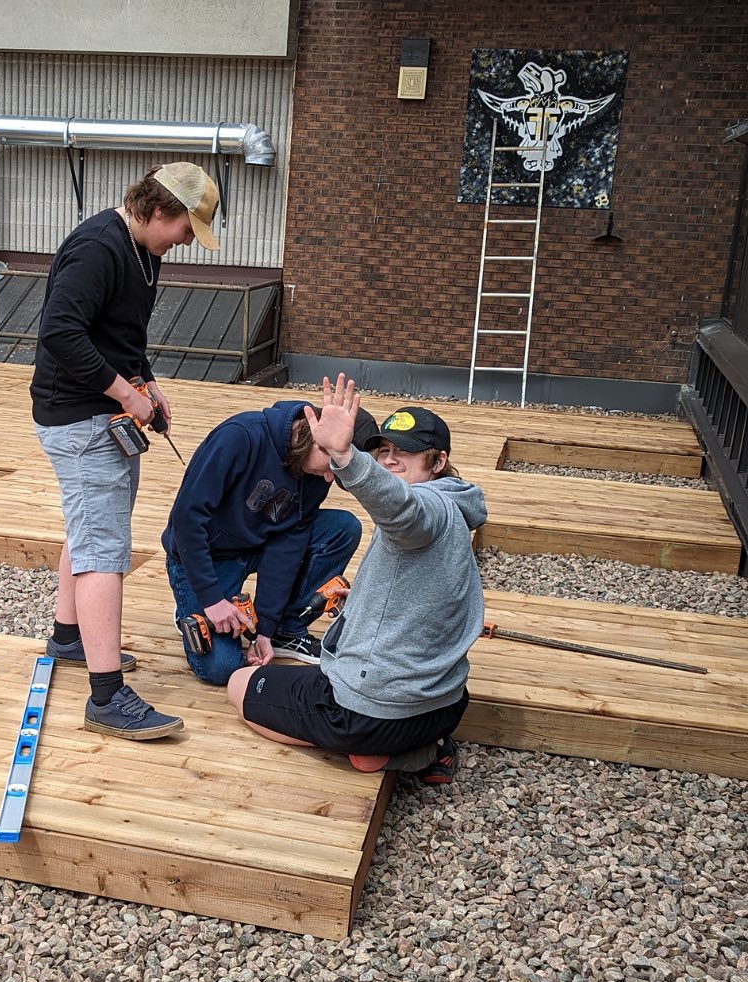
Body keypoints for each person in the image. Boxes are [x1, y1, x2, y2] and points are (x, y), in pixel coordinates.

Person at [30, 161, 220, 740]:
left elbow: (119, 333)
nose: (188, 242)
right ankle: (106, 696)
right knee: (104, 551)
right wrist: (122, 393)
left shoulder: (145, 251)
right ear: (160, 208)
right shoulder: (96, 247)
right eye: (188, 229)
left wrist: (146, 381)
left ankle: (68, 639)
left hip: (105, 409)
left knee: (88, 527)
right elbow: (60, 334)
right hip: (79, 418)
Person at [226, 376, 489, 785]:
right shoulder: (458, 509)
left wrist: (345, 454)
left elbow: (403, 510)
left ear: (438, 462)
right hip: (445, 707)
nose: (389, 461)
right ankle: (424, 745)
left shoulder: (430, 510)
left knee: (239, 685)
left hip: (373, 713)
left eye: (406, 452)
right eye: (384, 451)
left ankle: (393, 754)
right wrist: (364, 598)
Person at [162, 401, 368, 686]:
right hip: (208, 554)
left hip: (258, 543)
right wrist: (210, 599)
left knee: (343, 528)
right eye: (331, 465)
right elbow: (187, 519)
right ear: (316, 438)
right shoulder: (241, 436)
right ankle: (191, 601)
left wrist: (266, 631)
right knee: (222, 668)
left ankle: (288, 628)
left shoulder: (317, 473)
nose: (330, 478)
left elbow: (287, 546)